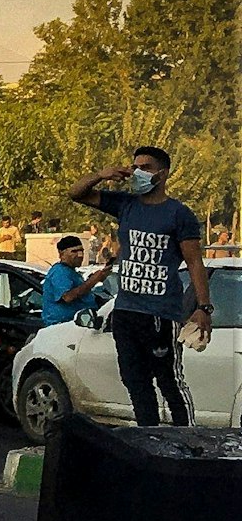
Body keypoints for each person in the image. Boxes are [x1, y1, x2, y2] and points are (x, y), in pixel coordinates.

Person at [69, 145, 211, 427]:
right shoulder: (125, 204)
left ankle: (187, 439)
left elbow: (195, 262)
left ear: (163, 173)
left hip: (160, 313)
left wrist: (203, 308)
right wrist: (102, 174)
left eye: (145, 167)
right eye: (134, 167)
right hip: (126, 311)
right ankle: (149, 435)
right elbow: (76, 193)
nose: (137, 173)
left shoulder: (178, 214)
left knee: (168, 380)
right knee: (135, 380)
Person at [41, 234, 110, 326]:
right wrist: (93, 281)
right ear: (62, 254)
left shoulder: (72, 272)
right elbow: (68, 297)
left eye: (82, 251)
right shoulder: (60, 272)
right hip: (63, 327)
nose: (80, 255)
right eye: (74, 251)